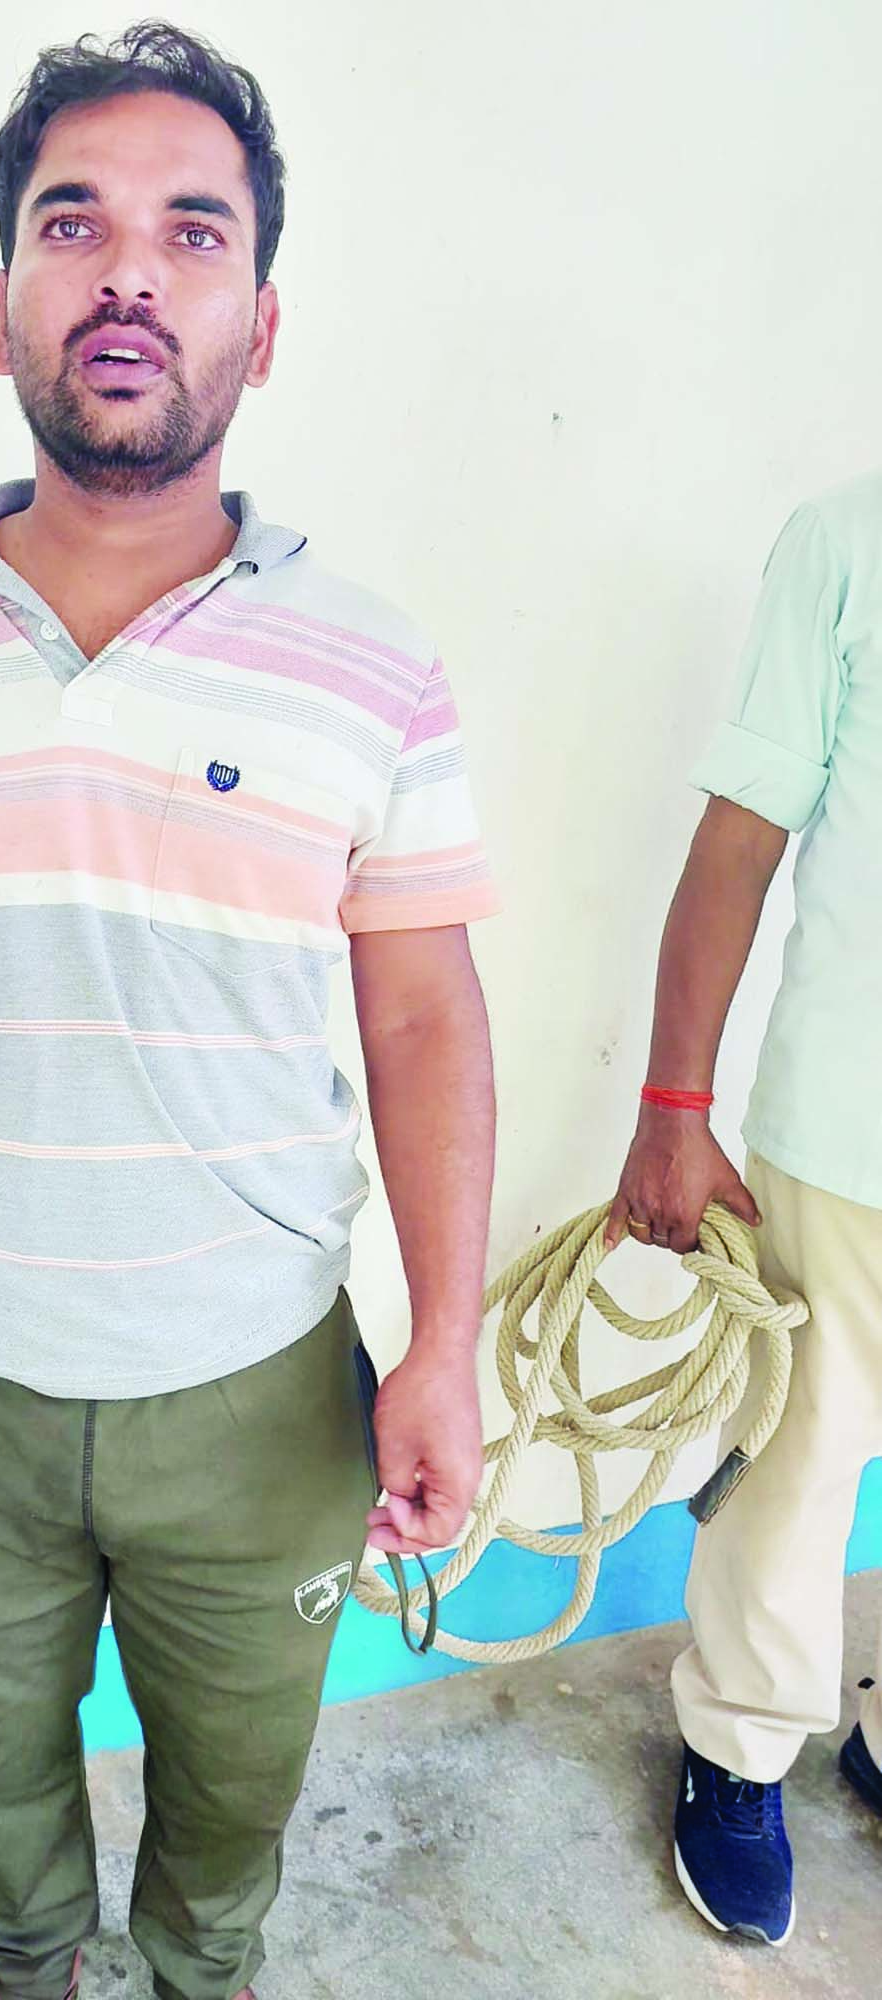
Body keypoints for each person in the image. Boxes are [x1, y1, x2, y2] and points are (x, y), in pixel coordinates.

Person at [0, 23, 498, 1999]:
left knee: (236, 1781)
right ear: (1, 306)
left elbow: (424, 1015)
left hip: (251, 1390)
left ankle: (198, 1975)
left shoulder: (371, 668)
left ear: (262, 322)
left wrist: (445, 1341)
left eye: (192, 232)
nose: (130, 273)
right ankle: (29, 1959)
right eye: (75, 225)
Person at [608, 468, 882, 1948]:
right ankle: (740, 1748)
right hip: (854, 1131)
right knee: (796, 1458)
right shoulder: (848, 541)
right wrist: (674, 1102)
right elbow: (742, 836)